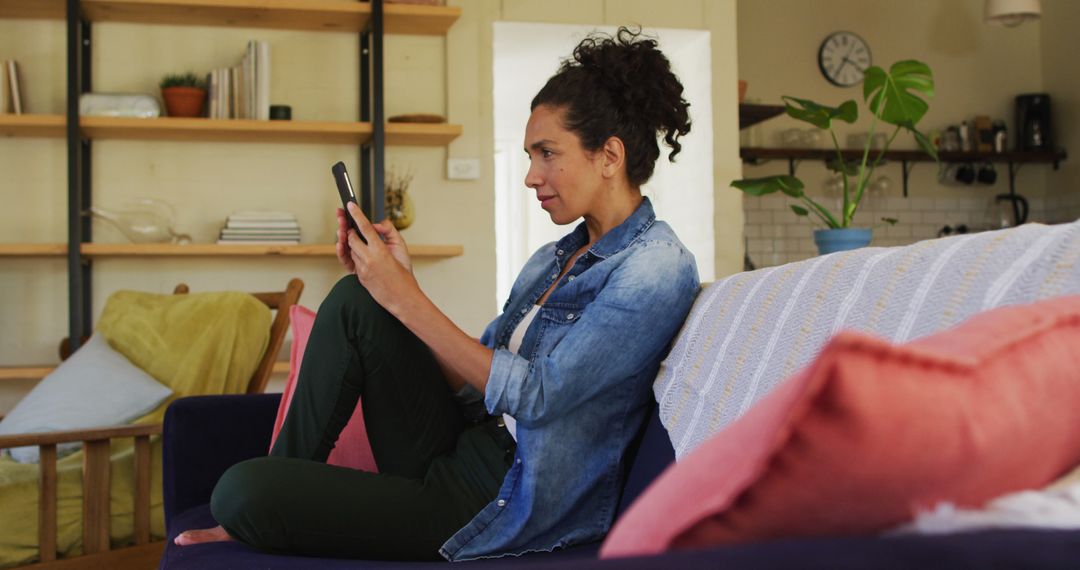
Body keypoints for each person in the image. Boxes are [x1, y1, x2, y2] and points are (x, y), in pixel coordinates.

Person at [175, 26, 699, 561]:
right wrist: (399, 286)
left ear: (609, 156)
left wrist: (406, 297)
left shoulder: (656, 268)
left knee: (237, 491)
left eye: (546, 153)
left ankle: (262, 502)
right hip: (462, 444)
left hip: (501, 496)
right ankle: (275, 489)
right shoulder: (554, 258)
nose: (530, 176)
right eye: (529, 156)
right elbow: (476, 385)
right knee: (357, 301)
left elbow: (541, 398)